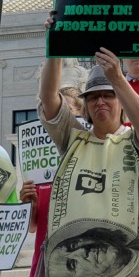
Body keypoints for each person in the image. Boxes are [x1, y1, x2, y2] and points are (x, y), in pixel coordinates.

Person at [38, 31, 139, 277]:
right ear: (86, 106)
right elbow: (49, 100)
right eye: (93, 97)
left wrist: (117, 78)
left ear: (122, 101)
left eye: (108, 95)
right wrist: (55, 45)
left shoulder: (136, 142)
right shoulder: (73, 139)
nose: (100, 102)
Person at [20, 86, 86, 277]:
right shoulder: (38, 172)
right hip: (46, 266)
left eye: (66, 110)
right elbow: (33, 226)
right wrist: (28, 203)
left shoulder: (92, 161)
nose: (58, 117)